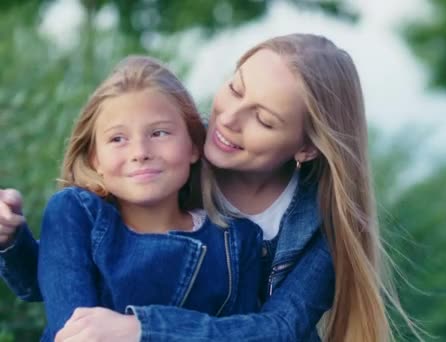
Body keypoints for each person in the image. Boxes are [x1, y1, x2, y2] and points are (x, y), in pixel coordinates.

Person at [0, 34, 418, 341]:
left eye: (265, 119)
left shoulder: (320, 229)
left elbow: (278, 330)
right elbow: (71, 276)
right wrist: (12, 242)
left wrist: (143, 329)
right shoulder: (165, 158)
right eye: (235, 88)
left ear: (306, 147)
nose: (228, 119)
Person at [6, 55, 264, 341]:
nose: (140, 152)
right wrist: (11, 241)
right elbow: (69, 325)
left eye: (159, 133)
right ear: (95, 161)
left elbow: (240, 334)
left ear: (193, 145)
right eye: (118, 139)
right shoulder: (74, 214)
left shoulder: (237, 241)